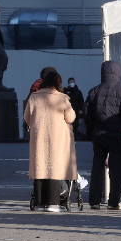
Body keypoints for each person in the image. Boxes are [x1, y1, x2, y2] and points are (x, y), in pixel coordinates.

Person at [84, 61, 121, 210]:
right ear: (119, 73)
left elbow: (87, 114)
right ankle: (114, 201)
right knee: (116, 169)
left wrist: (91, 129)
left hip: (99, 135)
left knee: (97, 167)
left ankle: (94, 200)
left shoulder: (94, 91)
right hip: (117, 136)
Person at [24, 71, 77, 212]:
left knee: (39, 167)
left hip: (39, 138)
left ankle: (40, 203)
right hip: (57, 139)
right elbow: (71, 118)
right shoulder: (62, 98)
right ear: (58, 83)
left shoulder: (34, 97)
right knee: (54, 168)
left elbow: (27, 118)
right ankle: (53, 203)